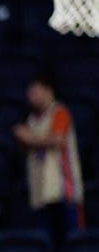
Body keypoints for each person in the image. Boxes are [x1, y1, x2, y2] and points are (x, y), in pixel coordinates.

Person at [14, 71, 86, 242]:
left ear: (48, 91)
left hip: (65, 191)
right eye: (29, 93)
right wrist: (25, 141)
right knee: (45, 245)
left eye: (35, 91)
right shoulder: (31, 120)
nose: (30, 96)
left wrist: (29, 138)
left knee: (73, 242)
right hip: (41, 194)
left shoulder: (60, 112)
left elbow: (57, 140)